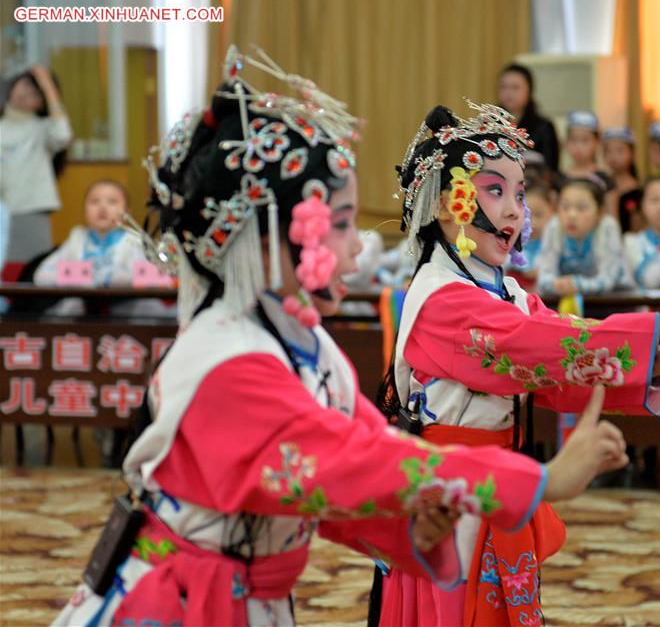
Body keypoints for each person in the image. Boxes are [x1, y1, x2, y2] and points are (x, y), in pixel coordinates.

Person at [53, 47, 629, 627]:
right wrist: (536, 481)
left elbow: (349, 468)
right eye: (343, 224)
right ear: (272, 235)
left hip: (248, 595)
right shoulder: (224, 361)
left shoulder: (309, 347)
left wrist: (407, 522)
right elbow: (350, 461)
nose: (358, 246)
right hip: (178, 601)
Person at [375, 100, 660, 626]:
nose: (517, 210)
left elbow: (558, 351)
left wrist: (656, 354)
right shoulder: (441, 298)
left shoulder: (505, 292)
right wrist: (659, 326)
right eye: (495, 191)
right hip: (451, 493)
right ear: (451, 206)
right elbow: (535, 347)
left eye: (519, 194)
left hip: (499, 481)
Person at [0, 65, 72, 264]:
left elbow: (63, 135)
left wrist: (49, 87)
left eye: (35, 93)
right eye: (24, 86)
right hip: (2, 210)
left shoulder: (42, 129)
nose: (26, 94)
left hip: (32, 210)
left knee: (31, 271)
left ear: (42, 103)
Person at [537, 176, 633, 296]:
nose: (572, 215)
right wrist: (557, 285)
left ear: (600, 212)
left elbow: (608, 280)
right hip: (566, 303)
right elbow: (544, 278)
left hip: (615, 302)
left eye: (581, 208)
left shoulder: (608, 227)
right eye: (565, 207)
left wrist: (575, 284)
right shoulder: (554, 227)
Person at [497, 63, 560, 172]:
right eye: (504, 87)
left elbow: (551, 169)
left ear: (529, 90)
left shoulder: (543, 127)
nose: (508, 93)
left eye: (515, 87)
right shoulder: (491, 122)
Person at [602, 126, 642, 232]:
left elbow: (637, 226)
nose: (613, 156)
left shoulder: (637, 190)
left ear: (632, 154)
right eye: (608, 151)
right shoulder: (601, 183)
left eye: (620, 150)